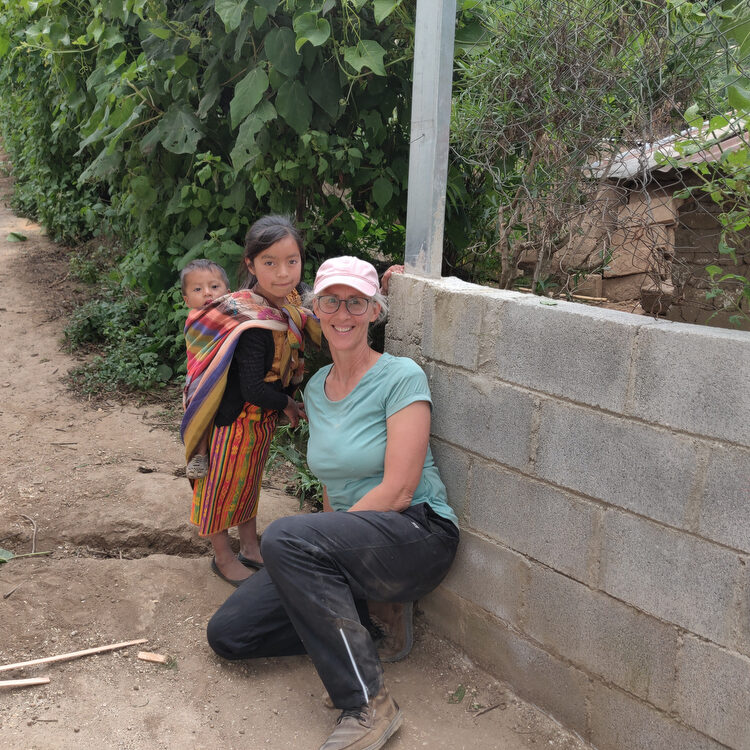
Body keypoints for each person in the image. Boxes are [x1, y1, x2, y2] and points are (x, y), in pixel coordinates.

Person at [206, 256, 459, 750]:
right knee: (230, 634)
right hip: (351, 546)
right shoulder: (317, 390)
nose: (343, 314)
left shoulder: (401, 376)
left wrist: (322, 544)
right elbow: (330, 486)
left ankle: (368, 704)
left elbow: (400, 490)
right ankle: (365, 627)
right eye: (331, 302)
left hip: (416, 533)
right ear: (315, 310)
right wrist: (325, 544)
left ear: (374, 312)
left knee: (286, 537)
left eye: (356, 303)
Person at [180, 216, 320, 586]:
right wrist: (287, 404)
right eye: (269, 262)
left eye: (292, 261)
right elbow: (254, 388)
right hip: (232, 422)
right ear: (251, 265)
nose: (283, 273)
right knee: (220, 488)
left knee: (248, 483)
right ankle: (223, 557)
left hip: (258, 422)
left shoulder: (288, 304)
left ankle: (250, 547)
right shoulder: (250, 320)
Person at [180, 259, 231, 480]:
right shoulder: (197, 318)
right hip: (202, 374)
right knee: (200, 408)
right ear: (187, 300)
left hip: (227, 370)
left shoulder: (233, 311)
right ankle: (199, 454)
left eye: (214, 286)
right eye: (198, 289)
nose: (207, 293)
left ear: (228, 292)